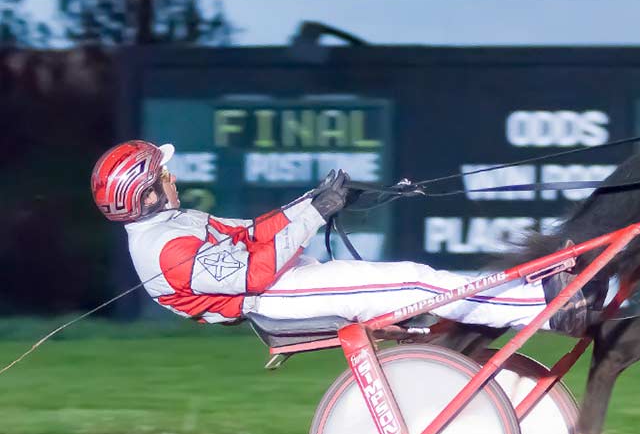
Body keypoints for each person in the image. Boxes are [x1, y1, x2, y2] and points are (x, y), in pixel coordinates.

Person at [91, 140, 594, 335]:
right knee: (411, 284)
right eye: (163, 176)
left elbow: (251, 233)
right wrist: (312, 214)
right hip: (273, 298)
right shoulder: (164, 248)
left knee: (416, 279)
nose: (171, 178)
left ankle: (531, 294)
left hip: (284, 284)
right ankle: (544, 313)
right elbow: (257, 272)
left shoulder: (171, 225)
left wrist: (315, 201)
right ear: (147, 195)